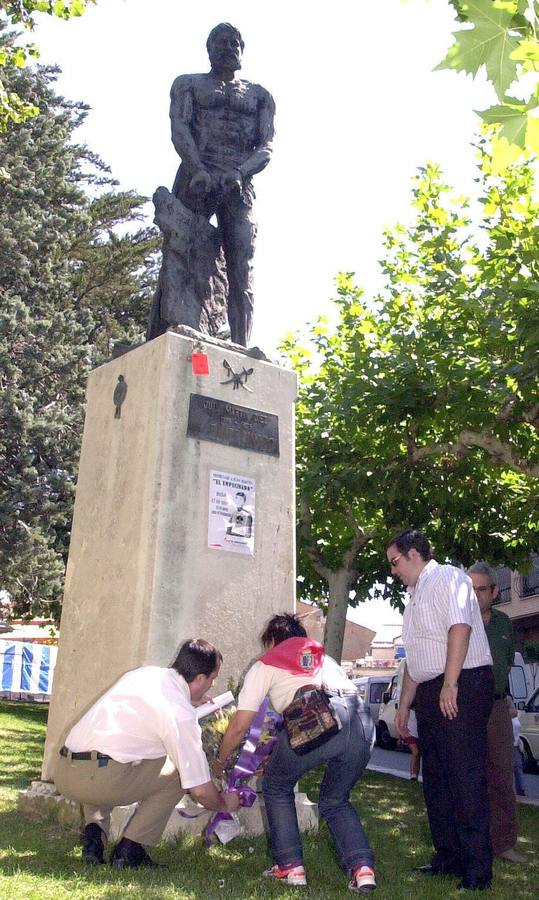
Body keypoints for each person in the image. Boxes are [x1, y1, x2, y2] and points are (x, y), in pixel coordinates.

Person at [213, 613, 376, 893]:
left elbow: (240, 725)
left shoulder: (266, 663)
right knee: (336, 800)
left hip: (317, 719)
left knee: (276, 784)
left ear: (272, 641)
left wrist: (221, 760)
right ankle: (362, 869)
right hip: (361, 723)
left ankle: (289, 866)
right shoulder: (324, 658)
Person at [52, 639, 240, 868]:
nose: (213, 683)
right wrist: (224, 804)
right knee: (180, 772)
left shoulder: (144, 675)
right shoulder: (179, 712)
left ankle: (94, 837)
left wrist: (189, 700)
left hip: (65, 773)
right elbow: (199, 789)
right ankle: (131, 850)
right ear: (200, 678)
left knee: (111, 749)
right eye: (212, 678)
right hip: (100, 781)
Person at [148, 22, 275, 346]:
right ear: (209, 49)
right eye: (222, 41)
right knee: (179, 251)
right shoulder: (189, 84)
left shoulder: (260, 96)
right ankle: (163, 333)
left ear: (242, 50)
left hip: (238, 183)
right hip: (197, 176)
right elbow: (180, 129)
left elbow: (266, 146)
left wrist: (241, 171)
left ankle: (241, 347)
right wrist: (197, 167)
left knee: (242, 260)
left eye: (235, 42)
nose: (229, 47)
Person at [387, 529, 494, 891]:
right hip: (432, 687)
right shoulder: (414, 597)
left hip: (464, 681)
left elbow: (460, 628)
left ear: (414, 554)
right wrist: (404, 706)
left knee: (465, 777)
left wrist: (451, 684)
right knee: (437, 780)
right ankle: (447, 857)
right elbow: (415, 659)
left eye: (395, 562)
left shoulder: (449, 576)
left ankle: (477, 872)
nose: (393, 571)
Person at [468, 562, 526, 864]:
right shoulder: (459, 622)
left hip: (497, 706)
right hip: (465, 708)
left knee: (502, 774)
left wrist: (508, 699)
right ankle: (470, 843)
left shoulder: (504, 623)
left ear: (494, 591)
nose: (475, 595)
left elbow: (504, 666)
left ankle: (503, 843)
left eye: (481, 589)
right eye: (470, 589)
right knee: (468, 777)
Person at [509, 701, 526, 797]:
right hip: (509, 745)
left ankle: (520, 789)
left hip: (514, 744)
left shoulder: (514, 718)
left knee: (517, 767)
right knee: (515, 768)